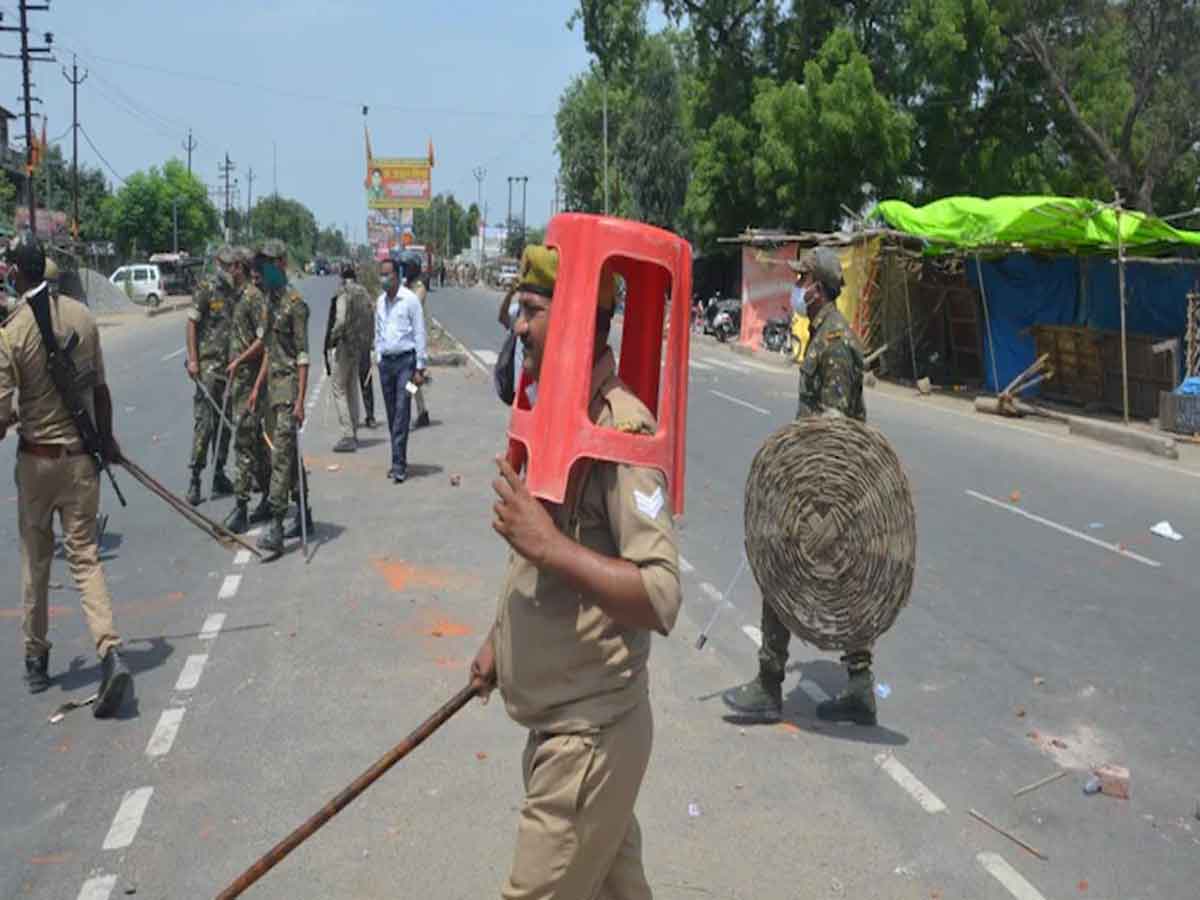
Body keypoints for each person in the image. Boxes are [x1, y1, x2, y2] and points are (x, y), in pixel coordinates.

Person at [469, 245, 681, 899]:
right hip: (562, 729)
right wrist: (499, 641)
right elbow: (542, 563)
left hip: (589, 737)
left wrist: (549, 547)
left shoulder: (622, 429)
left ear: (575, 318)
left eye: (532, 310)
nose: (519, 327)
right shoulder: (560, 416)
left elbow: (660, 594)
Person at [722, 247, 875, 725]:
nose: (797, 288)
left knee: (779, 569)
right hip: (821, 482)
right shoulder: (822, 336)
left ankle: (770, 686)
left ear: (819, 286)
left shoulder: (835, 344)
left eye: (802, 279)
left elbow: (832, 431)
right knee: (844, 582)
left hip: (826, 489)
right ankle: (860, 687)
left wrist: (808, 493)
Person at [0, 234, 131, 716]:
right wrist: (107, 440)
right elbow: (101, 392)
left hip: (36, 463)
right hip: (80, 460)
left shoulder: (11, 332)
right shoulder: (81, 316)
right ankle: (109, 650)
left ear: (17, 273)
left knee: (37, 560)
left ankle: (36, 659)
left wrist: (14, 417)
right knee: (85, 559)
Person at [253, 240, 312, 559]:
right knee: (285, 455)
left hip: (289, 391)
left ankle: (276, 524)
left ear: (281, 264)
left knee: (280, 459)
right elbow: (268, 351)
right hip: (272, 391)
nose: (263, 270)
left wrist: (301, 400)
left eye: (268, 263)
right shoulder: (270, 302)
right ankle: (305, 511)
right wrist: (255, 388)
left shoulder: (294, 304)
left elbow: (302, 356)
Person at [221, 248, 272, 534]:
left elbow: (264, 343)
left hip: (250, 382)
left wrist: (240, 361)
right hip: (237, 382)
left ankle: (241, 506)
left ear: (239, 267)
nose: (227, 271)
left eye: (230, 266)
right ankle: (269, 495)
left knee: (242, 442)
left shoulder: (253, 298)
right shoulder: (236, 297)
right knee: (256, 444)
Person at [185, 246, 238, 506]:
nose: (230, 269)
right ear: (218, 262)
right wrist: (193, 360)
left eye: (233, 264)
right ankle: (195, 477)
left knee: (226, 425)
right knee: (204, 424)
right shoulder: (206, 287)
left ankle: (219, 473)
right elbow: (192, 323)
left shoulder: (236, 290)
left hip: (230, 368)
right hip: (208, 367)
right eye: (226, 264)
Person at [373, 256, 427, 483]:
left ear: (398, 276)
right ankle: (397, 459)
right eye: (382, 274)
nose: (384, 279)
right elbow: (378, 331)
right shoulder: (380, 302)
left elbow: (419, 332)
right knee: (392, 413)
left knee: (403, 409)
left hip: (407, 364)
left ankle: (399, 465)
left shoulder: (410, 300)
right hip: (386, 365)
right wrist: (377, 355)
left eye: (388, 275)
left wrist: (420, 367)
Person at [328, 263, 375, 452]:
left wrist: (332, 337)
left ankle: (347, 435)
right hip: (360, 346)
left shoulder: (343, 292)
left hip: (345, 345)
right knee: (352, 387)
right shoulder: (364, 292)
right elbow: (371, 317)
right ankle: (354, 429)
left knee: (338, 387)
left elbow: (339, 320)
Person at [403, 256, 433, 429]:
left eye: (408, 268)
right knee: (413, 381)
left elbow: (413, 307)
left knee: (409, 379)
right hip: (407, 336)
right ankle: (422, 412)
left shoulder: (419, 288)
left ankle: (410, 411)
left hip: (415, 337)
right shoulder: (409, 286)